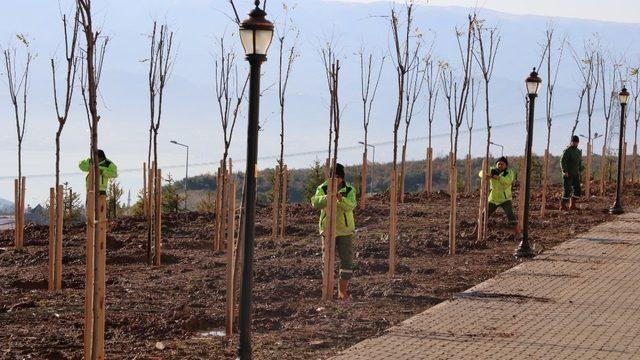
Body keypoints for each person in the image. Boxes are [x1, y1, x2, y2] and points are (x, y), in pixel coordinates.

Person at [311, 163, 356, 300]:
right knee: (327, 260)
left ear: (342, 178)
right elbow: (315, 203)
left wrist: (339, 198)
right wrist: (327, 197)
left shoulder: (349, 190)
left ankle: (342, 291)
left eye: (338, 177)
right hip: (327, 230)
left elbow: (351, 206)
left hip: (345, 231)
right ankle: (327, 291)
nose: (335, 179)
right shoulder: (322, 188)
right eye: (333, 177)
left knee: (346, 261)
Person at [479, 156, 521, 239]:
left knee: (511, 216)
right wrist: (486, 174)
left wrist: (499, 178)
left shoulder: (509, 172)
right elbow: (481, 173)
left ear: (506, 165)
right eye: (499, 164)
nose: (500, 165)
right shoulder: (492, 170)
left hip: (505, 199)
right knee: (483, 215)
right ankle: (477, 231)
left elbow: (508, 181)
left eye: (502, 164)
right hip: (493, 199)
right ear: (496, 165)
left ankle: (517, 233)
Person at [560, 135, 583, 211]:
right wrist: (565, 171)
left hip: (575, 174)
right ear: (571, 142)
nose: (575, 143)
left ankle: (572, 204)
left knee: (578, 190)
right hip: (568, 173)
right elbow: (562, 161)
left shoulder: (578, 151)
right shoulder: (567, 151)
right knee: (567, 190)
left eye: (576, 142)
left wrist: (580, 170)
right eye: (573, 142)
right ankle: (562, 206)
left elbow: (579, 162)